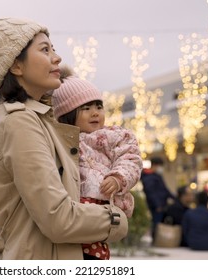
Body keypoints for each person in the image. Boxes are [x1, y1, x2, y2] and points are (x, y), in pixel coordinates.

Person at [0, 17, 128, 260]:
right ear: (16, 66)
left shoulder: (37, 119)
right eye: (45, 50)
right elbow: (58, 218)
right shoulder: (19, 121)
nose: (56, 58)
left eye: (53, 49)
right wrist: (117, 218)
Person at [52, 66, 143, 259]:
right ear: (67, 114)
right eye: (86, 108)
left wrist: (118, 178)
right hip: (74, 209)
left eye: (98, 107)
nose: (95, 113)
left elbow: (131, 159)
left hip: (103, 204)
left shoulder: (114, 136)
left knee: (95, 255)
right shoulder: (60, 141)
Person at [140, 157, 175, 240]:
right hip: (156, 206)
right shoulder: (149, 177)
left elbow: (164, 189)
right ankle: (156, 239)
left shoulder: (157, 176)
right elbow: (150, 193)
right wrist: (157, 205)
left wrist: (174, 198)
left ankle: (158, 239)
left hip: (161, 204)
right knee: (156, 223)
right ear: (155, 165)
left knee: (159, 223)